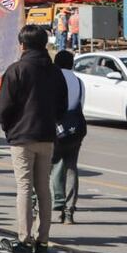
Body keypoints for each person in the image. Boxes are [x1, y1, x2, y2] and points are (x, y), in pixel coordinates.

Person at [0, 25, 69, 253]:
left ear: (22, 45)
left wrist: (9, 129)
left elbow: (5, 107)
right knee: (43, 188)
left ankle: (24, 239)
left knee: (24, 187)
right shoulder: (55, 71)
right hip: (47, 135)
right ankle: (43, 240)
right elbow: (62, 106)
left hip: (22, 136)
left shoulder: (16, 70)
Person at [51, 50, 85, 225]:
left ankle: (52, 205)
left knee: (48, 167)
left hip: (56, 128)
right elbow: (81, 104)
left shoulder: (53, 78)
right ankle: (69, 211)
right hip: (75, 129)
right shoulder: (78, 81)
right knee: (71, 168)